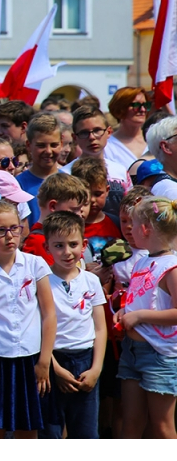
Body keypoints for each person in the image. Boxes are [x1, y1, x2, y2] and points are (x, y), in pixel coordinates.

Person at [0, 199, 56, 439]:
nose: (9, 236)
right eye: (0, 230)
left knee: (28, 428)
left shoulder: (35, 264)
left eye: (14, 228)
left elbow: (49, 314)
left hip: (31, 359)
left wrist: (44, 361)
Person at [115, 197, 177, 439]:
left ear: (145, 229)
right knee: (131, 423)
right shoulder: (142, 260)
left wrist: (139, 316)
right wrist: (125, 312)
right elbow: (137, 299)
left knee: (162, 427)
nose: (128, 228)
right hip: (132, 351)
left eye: (133, 223)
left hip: (159, 356)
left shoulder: (171, 266)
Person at [42, 211, 107, 439]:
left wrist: (96, 369)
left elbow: (100, 328)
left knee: (86, 433)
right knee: (50, 433)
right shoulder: (41, 283)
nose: (67, 252)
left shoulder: (91, 280)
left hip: (86, 362)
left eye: (73, 244)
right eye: (59, 245)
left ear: (84, 244)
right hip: (53, 361)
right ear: (47, 248)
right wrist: (55, 369)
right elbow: (37, 329)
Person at [63, 105, 131, 217]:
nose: (91, 137)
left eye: (97, 130)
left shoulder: (121, 171)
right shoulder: (65, 174)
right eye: (84, 133)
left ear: (109, 132)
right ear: (75, 138)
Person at [20, 173, 89, 265]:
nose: (80, 215)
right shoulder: (39, 242)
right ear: (53, 206)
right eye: (74, 210)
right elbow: (58, 277)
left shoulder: (66, 236)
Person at [15, 113, 63, 225]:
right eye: (41, 146)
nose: (48, 151)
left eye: (54, 145)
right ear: (28, 145)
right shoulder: (17, 186)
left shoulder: (71, 182)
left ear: (61, 143)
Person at [104, 88, 151, 169]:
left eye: (146, 105)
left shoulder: (154, 140)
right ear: (120, 109)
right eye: (136, 105)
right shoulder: (107, 146)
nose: (143, 110)